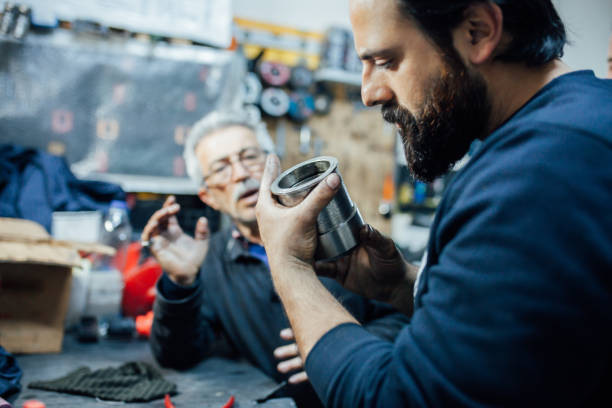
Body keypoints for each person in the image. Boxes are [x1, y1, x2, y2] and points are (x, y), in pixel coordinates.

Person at [254, 0, 612, 407]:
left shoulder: (533, 176)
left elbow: (399, 400)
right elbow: (543, 338)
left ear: (477, 31)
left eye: (386, 61)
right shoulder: (586, 123)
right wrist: (404, 286)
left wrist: (290, 268)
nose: (369, 93)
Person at [140, 109, 409, 407]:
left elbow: (405, 315)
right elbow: (177, 355)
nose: (241, 173)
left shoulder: (339, 233)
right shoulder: (212, 263)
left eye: (250, 157)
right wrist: (180, 282)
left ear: (273, 163)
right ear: (208, 197)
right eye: (221, 168)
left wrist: (341, 344)